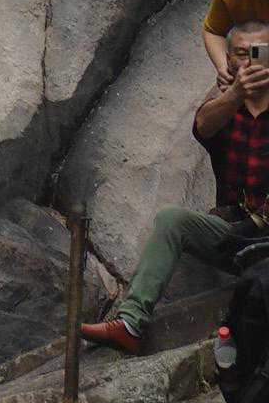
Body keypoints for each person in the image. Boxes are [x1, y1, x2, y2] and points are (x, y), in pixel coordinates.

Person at [83, 21, 269, 352]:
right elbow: (203, 126)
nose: (251, 60)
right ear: (228, 60)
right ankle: (130, 323)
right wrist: (236, 93)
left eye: (260, 52)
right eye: (242, 53)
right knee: (172, 219)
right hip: (237, 233)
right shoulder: (224, 105)